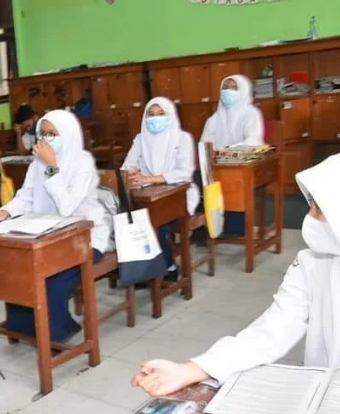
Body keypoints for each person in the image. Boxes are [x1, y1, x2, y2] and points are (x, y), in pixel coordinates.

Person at [131, 154, 340, 398]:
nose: (310, 216)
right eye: (311, 205)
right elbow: (273, 329)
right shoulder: (313, 263)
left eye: (320, 208)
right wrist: (191, 369)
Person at [0, 110, 110, 343]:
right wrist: (6, 210)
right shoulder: (36, 164)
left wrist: (52, 167)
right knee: (19, 269)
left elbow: (67, 208)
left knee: (52, 276)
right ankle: (25, 327)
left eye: (53, 133)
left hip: (83, 237)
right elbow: (26, 196)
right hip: (46, 235)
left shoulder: (83, 163)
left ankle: (56, 333)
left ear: (69, 134)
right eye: (43, 133)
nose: (47, 139)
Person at [122, 97, 199, 282]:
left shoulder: (182, 138)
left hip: (179, 193)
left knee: (153, 224)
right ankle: (142, 271)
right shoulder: (141, 139)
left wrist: (151, 178)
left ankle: (167, 266)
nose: (155, 118)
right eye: (150, 114)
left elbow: (184, 173)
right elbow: (128, 165)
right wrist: (131, 174)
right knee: (130, 220)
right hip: (146, 195)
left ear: (170, 116)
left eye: (160, 114)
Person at [200, 74, 265, 237]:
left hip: (244, 167)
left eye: (233, 88)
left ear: (243, 91)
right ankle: (210, 227)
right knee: (202, 178)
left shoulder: (251, 114)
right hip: (217, 168)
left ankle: (234, 227)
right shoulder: (213, 119)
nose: (228, 91)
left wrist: (227, 150)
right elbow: (204, 145)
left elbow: (253, 140)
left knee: (233, 180)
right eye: (225, 87)